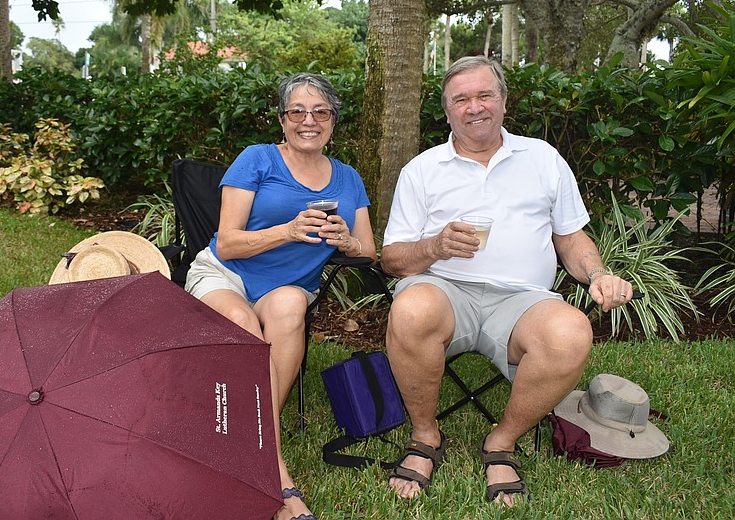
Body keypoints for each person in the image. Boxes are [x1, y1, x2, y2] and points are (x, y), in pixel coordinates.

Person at [381, 56, 635, 506]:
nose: (474, 107)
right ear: (447, 110)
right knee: (411, 307)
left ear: (503, 101)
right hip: (445, 292)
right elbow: (392, 259)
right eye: (461, 99)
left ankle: (502, 441)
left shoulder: (542, 159)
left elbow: (572, 238)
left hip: (522, 301)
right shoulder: (421, 170)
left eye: (484, 95)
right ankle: (425, 436)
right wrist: (434, 247)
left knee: (571, 330)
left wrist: (597, 273)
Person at [185, 72, 377, 520]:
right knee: (245, 327)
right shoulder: (257, 159)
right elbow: (228, 242)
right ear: (282, 120)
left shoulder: (348, 178)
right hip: (226, 275)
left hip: (287, 289)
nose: (308, 120)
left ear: (333, 121)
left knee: (290, 306)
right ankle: (275, 470)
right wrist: (287, 231)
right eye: (297, 111)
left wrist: (346, 240)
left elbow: (368, 251)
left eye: (320, 111)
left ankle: (245, 444)